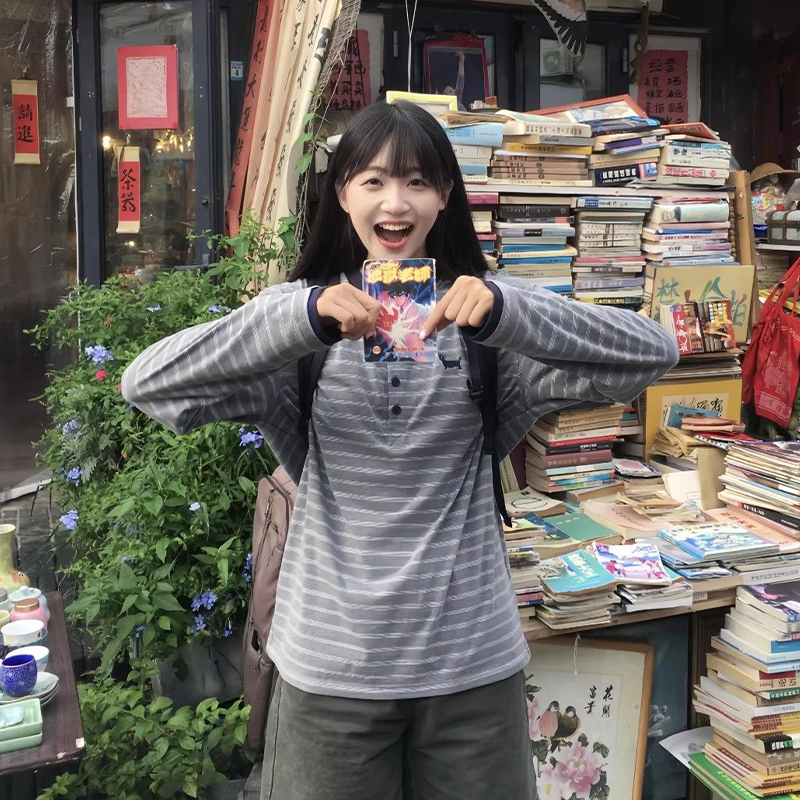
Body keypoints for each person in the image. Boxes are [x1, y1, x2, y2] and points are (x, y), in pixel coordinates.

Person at [121, 100, 679, 800]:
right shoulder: (301, 337)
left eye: (417, 181)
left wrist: (511, 309)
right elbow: (148, 384)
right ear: (343, 194)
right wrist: (301, 315)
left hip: (473, 672)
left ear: (445, 196)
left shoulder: (489, 333)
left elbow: (653, 354)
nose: (395, 202)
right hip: (330, 676)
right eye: (374, 181)